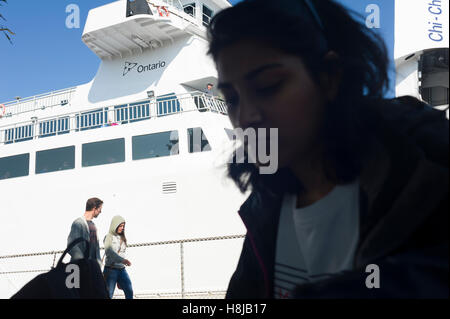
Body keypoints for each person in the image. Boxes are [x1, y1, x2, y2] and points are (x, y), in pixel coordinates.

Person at [207, 0, 448, 298]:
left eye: (268, 86)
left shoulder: (429, 160)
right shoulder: (266, 205)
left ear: (329, 76)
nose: (245, 117)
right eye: (231, 100)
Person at [103, 215, 133, 299]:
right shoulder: (108, 237)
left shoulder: (122, 238)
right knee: (109, 295)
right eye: (120, 226)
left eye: (123, 226)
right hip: (111, 269)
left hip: (122, 270)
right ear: (114, 225)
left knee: (129, 291)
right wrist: (123, 260)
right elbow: (109, 252)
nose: (122, 228)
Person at [67, 197, 103, 268]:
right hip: (80, 267)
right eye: (100, 209)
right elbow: (71, 245)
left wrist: (98, 264)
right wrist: (82, 261)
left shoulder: (93, 225)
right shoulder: (78, 223)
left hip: (92, 267)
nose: (100, 212)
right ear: (94, 208)